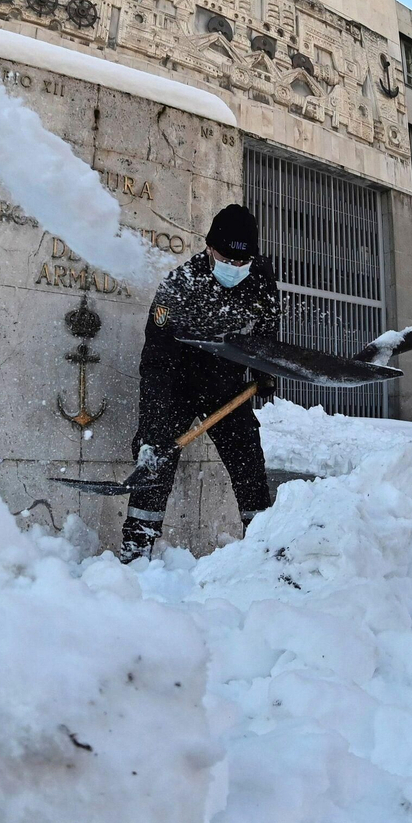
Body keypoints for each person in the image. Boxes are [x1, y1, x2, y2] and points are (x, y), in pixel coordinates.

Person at [120, 204, 279, 562]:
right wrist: (150, 431)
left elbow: (266, 329)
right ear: (209, 247)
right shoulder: (179, 286)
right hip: (177, 379)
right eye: (227, 260)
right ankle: (135, 550)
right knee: (156, 461)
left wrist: (263, 369)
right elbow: (156, 365)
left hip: (226, 381)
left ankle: (265, 552)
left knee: (249, 463)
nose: (235, 269)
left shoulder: (261, 275)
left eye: (243, 263)